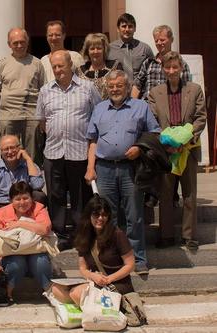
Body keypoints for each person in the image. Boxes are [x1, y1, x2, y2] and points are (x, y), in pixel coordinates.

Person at [86, 70, 161, 274]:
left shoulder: (140, 106)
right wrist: (90, 167)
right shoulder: (99, 109)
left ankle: (138, 259)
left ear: (127, 87)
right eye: (111, 86)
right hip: (104, 168)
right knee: (107, 216)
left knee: (134, 215)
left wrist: (139, 148)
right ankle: (113, 258)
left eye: (119, 85)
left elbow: (154, 133)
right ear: (106, 88)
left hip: (131, 169)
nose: (115, 89)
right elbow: (92, 140)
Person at [37, 50, 102, 251]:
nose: (57, 70)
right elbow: (42, 122)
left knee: (79, 197)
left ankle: (79, 234)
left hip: (79, 151)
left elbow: (99, 115)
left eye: (61, 66)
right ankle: (61, 235)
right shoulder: (45, 90)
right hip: (54, 151)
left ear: (70, 65)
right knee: (55, 195)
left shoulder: (88, 88)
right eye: (54, 67)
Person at [148, 51, 206, 250]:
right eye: (168, 67)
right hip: (167, 150)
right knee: (165, 194)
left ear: (181, 68)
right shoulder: (155, 93)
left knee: (189, 194)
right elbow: (153, 122)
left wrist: (185, 140)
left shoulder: (195, 89)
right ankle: (166, 235)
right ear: (163, 69)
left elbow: (200, 118)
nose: (171, 71)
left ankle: (189, 236)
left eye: (175, 67)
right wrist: (168, 143)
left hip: (188, 149)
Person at [51, 196, 135, 305]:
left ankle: (91, 309)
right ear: (89, 216)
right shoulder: (84, 235)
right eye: (96, 215)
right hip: (96, 281)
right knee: (56, 290)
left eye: (104, 215)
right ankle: (91, 307)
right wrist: (93, 276)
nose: (100, 218)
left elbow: (130, 265)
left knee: (77, 293)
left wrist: (109, 279)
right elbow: (83, 268)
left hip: (117, 283)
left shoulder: (117, 234)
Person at [0, 181, 53, 301]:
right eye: (18, 199)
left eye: (25, 198)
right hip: (12, 253)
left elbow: (44, 229)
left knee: (41, 262)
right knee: (16, 264)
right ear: (11, 200)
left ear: (31, 198)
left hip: (36, 251)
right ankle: (8, 292)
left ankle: (49, 291)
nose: (22, 203)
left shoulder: (39, 208)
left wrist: (20, 223)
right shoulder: (1, 213)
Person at [0, 28, 45, 166]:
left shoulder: (37, 63)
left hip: (31, 116)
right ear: (9, 44)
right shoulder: (2, 64)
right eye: (15, 43)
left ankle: (31, 185)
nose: (19, 45)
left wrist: (42, 118)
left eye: (22, 42)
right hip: (7, 116)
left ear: (27, 42)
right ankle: (9, 186)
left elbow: (43, 91)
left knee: (32, 157)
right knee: (8, 155)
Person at [132, 25, 191, 100]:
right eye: (156, 41)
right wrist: (132, 107)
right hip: (148, 105)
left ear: (171, 39)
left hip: (169, 105)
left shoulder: (181, 64)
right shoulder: (148, 63)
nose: (159, 43)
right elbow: (137, 85)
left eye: (162, 40)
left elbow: (187, 89)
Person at [108, 13, 153, 81]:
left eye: (130, 26)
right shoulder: (109, 49)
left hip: (141, 90)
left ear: (135, 29)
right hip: (117, 89)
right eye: (124, 26)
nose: (127, 29)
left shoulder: (145, 48)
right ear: (118, 29)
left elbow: (152, 71)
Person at [77, 33, 123, 99]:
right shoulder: (80, 71)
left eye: (99, 48)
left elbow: (122, 89)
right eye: (92, 48)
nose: (96, 51)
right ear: (87, 51)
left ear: (104, 49)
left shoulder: (115, 67)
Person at [40, 20, 85, 85]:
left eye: (57, 35)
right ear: (46, 37)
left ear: (64, 35)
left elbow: (83, 80)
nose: (54, 38)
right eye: (50, 35)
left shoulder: (75, 57)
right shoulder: (43, 61)